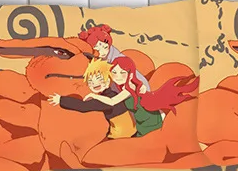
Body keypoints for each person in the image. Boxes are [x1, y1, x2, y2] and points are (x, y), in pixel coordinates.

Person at [49, 56, 197, 138]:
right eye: (91, 82)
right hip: (137, 124)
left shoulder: (119, 92)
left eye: (99, 80)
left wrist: (61, 100)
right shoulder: (118, 89)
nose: (95, 84)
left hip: (140, 127)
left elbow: (86, 107)